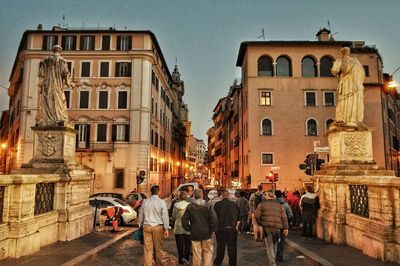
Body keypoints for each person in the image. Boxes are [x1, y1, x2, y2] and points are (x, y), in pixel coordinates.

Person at [37, 45, 72, 127]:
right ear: (60, 51)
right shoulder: (63, 61)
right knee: (59, 100)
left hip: (48, 84)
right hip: (58, 85)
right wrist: (69, 83)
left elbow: (41, 74)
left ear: (53, 50)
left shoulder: (46, 60)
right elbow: (66, 74)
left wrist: (41, 85)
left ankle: (48, 118)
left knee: (48, 100)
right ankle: (58, 117)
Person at [331, 46, 365, 127]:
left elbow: (362, 75)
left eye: (347, 51)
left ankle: (355, 121)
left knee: (355, 102)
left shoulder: (356, 61)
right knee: (344, 101)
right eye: (345, 51)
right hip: (346, 84)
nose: (346, 52)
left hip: (356, 86)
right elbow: (338, 70)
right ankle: (343, 120)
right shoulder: (340, 61)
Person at [182, 189, 218, 266]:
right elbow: (214, 220)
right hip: (207, 234)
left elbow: (184, 221)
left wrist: (190, 229)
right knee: (208, 252)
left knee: (196, 254)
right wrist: (212, 230)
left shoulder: (190, 206)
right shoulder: (208, 206)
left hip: (195, 234)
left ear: (194, 196)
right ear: (202, 195)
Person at [255, 190, 289, 266]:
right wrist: (286, 228)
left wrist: (260, 223)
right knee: (275, 244)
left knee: (269, 245)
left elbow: (257, 216)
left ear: (267, 196)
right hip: (277, 228)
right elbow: (284, 217)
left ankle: (272, 263)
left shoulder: (262, 204)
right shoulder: (279, 205)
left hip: (267, 228)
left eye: (266, 195)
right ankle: (273, 259)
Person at [138, 185, 169, 266]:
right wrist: (166, 228)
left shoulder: (145, 202)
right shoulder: (161, 202)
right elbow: (165, 216)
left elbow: (141, 214)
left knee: (147, 249)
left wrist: (140, 225)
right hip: (158, 227)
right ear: (158, 192)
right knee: (158, 249)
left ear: (151, 192)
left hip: (147, 226)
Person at [213, 190, 240, 266]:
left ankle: (218, 261)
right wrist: (236, 227)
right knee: (232, 248)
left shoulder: (217, 205)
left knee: (220, 246)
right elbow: (238, 218)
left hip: (220, 229)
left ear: (222, 196)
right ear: (228, 196)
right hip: (232, 229)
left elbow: (214, 218)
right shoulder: (234, 204)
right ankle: (232, 263)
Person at [172, 191, 191, 265]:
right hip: (187, 226)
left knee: (179, 244)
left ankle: (180, 258)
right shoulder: (189, 205)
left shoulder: (176, 205)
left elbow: (173, 216)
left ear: (179, 197)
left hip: (178, 226)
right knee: (187, 244)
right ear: (186, 197)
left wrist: (173, 223)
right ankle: (186, 258)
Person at [275, 190, 293, 262]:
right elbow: (290, 215)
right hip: (282, 226)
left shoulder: (273, 204)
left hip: (274, 225)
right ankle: (281, 254)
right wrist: (287, 222)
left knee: (275, 241)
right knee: (282, 241)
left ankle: (277, 254)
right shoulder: (285, 204)